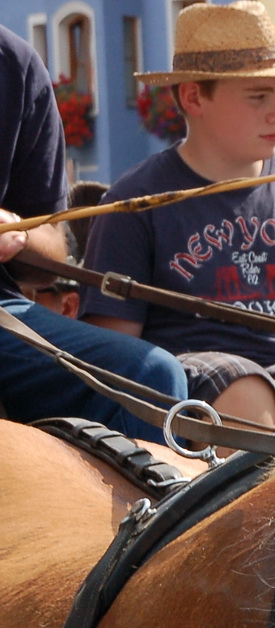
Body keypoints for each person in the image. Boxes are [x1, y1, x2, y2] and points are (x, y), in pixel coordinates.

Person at [80, 1, 275, 423]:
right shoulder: (135, 201)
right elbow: (115, 349)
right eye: (258, 96)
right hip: (196, 376)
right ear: (194, 96)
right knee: (245, 392)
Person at [0, 23, 188, 443]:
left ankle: (139, 510)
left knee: (151, 373)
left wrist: (18, 234)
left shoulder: (15, 65)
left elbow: (51, 256)